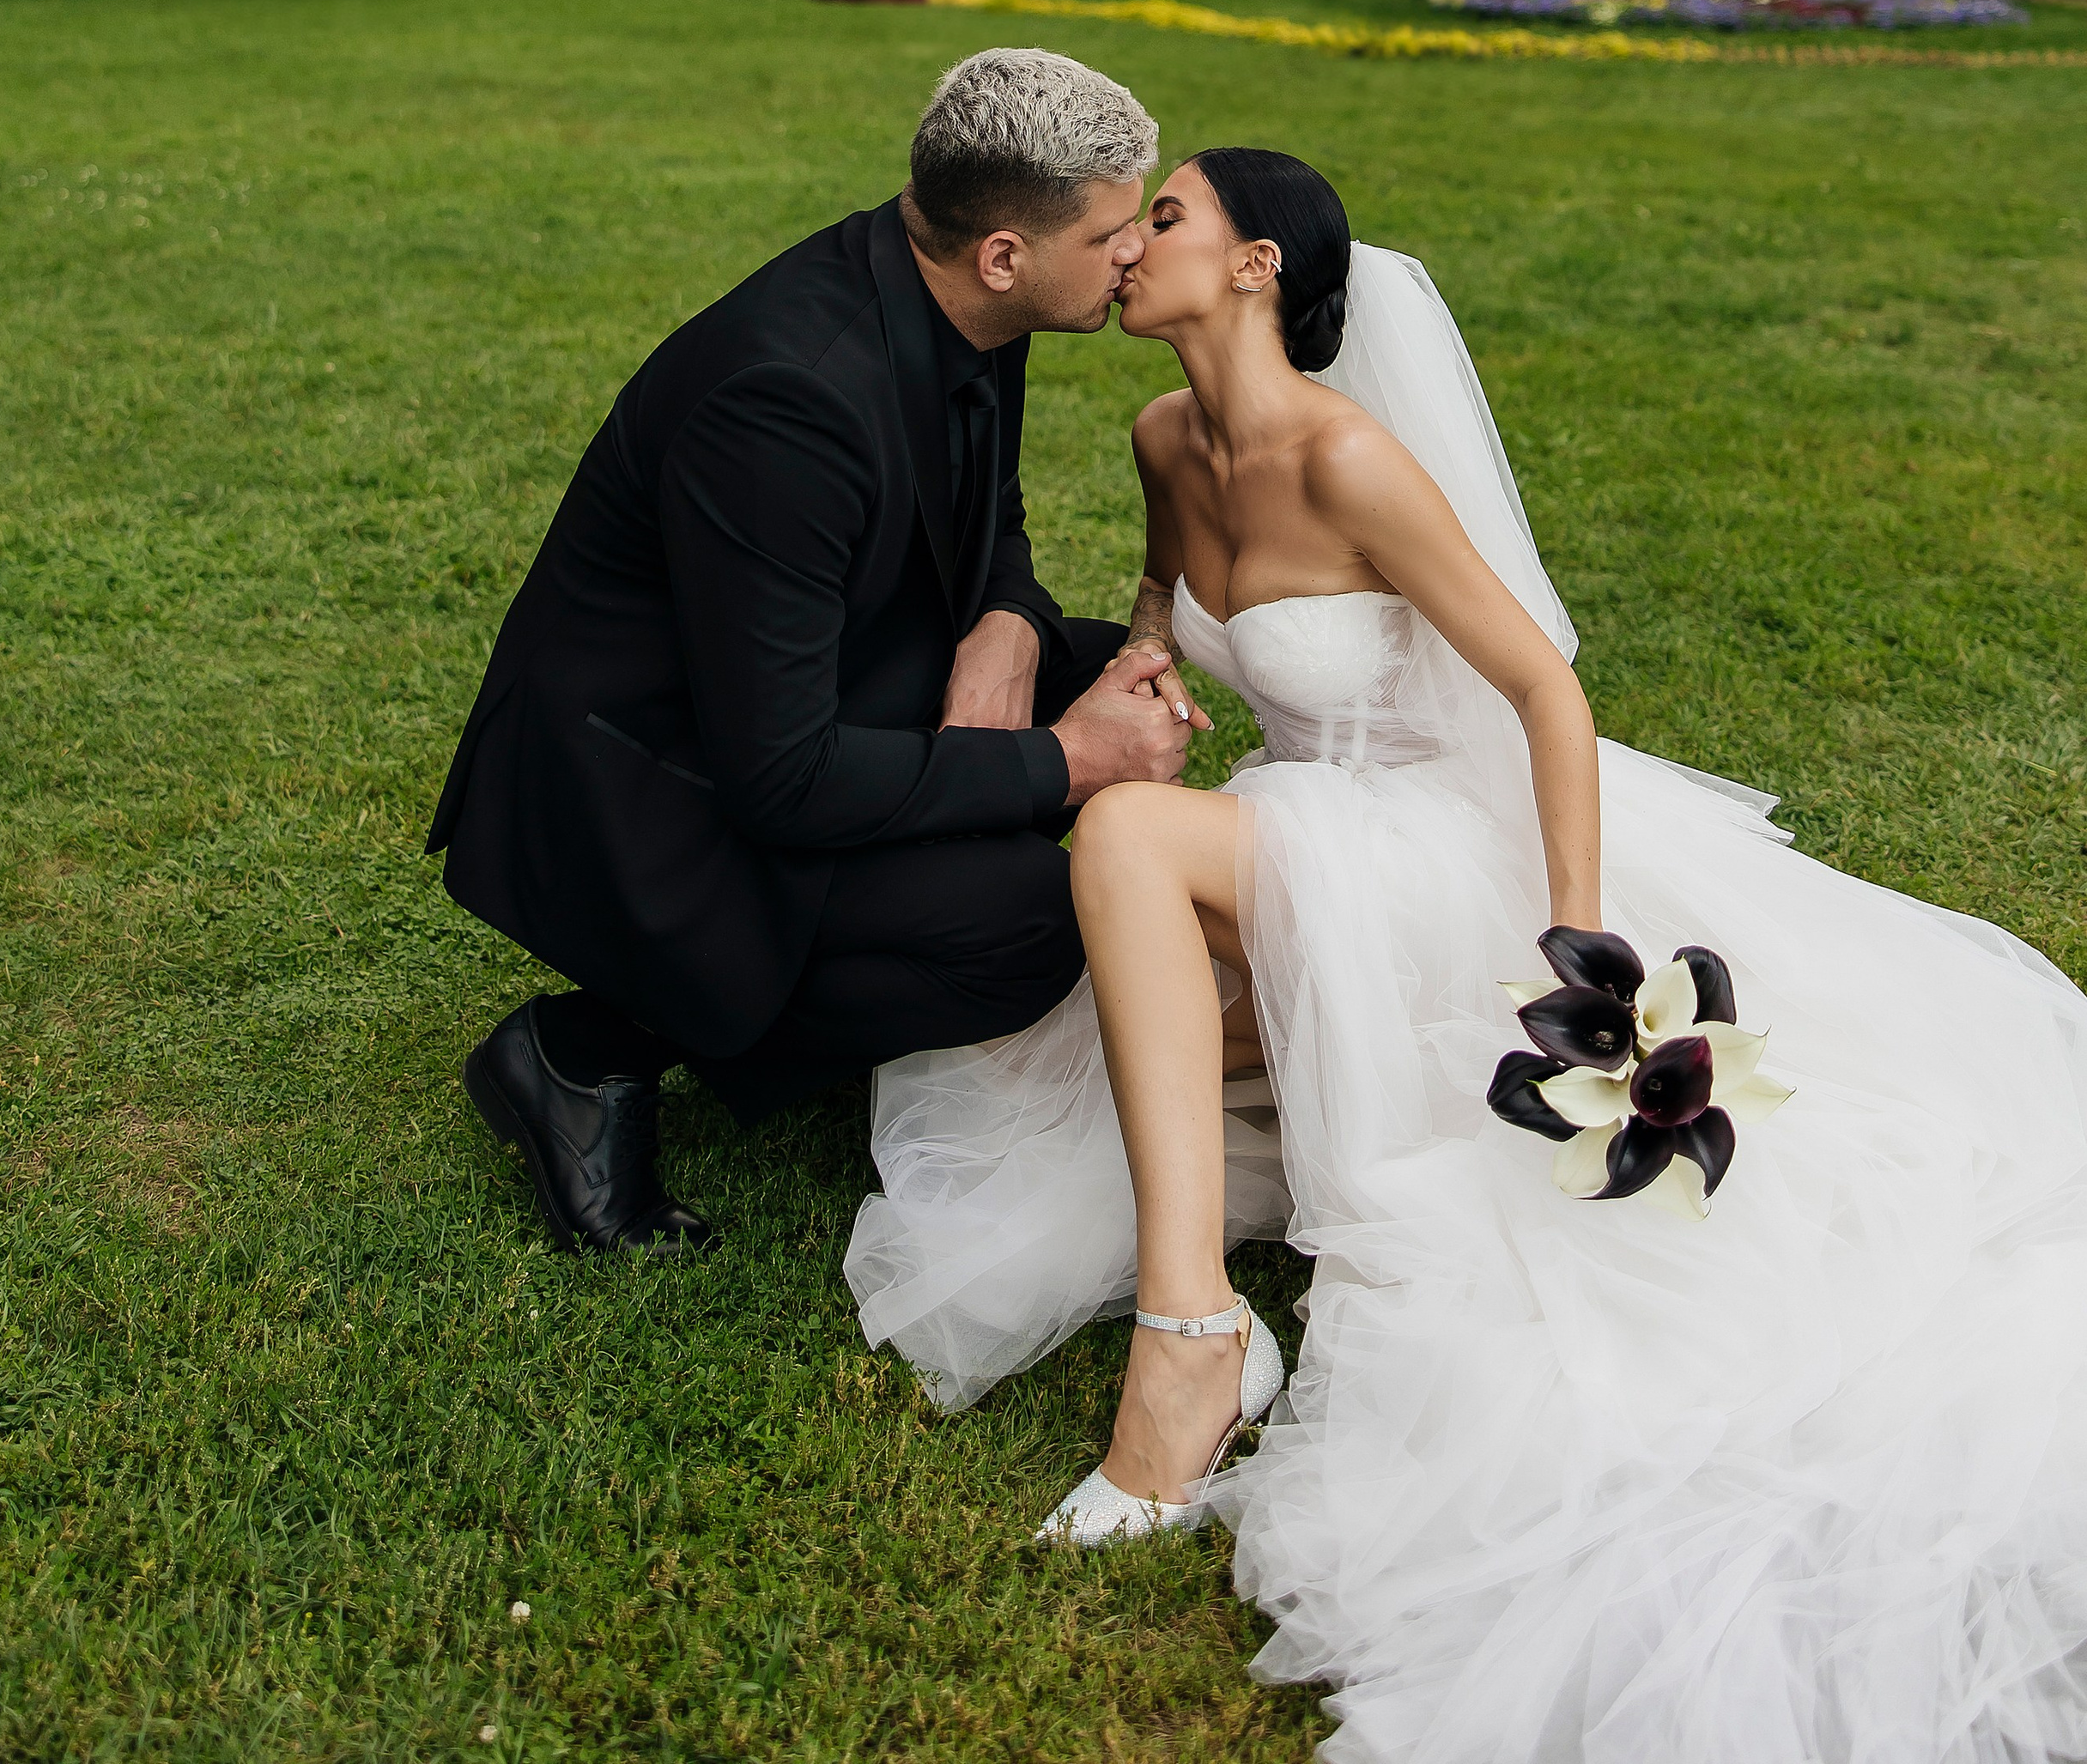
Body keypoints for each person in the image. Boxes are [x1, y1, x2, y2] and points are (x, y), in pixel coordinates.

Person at [846, 148, 2087, 1762]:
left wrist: (1579, 947)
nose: (1128, 242)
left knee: (1130, 848)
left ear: (1255, 267)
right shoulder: (1162, 434)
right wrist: (1145, 667)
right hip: (1301, 824)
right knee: (1090, 963)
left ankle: (1193, 1341)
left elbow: (1543, 695)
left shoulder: (1354, 462)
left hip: (1432, 831)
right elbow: (1159, 599)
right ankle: (1237, 1235)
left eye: (1166, 216)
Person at [427, 51, 1196, 1254]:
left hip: (818, 676)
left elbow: (988, 507)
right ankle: (583, 1055)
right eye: (1111, 235)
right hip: (650, 778)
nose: (1135, 254)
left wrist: (1006, 619)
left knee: (1086, 659)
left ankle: (831, 975)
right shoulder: (788, 401)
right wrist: (1063, 764)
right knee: (1034, 922)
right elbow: (779, 780)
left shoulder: (975, 293)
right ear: (1006, 252)